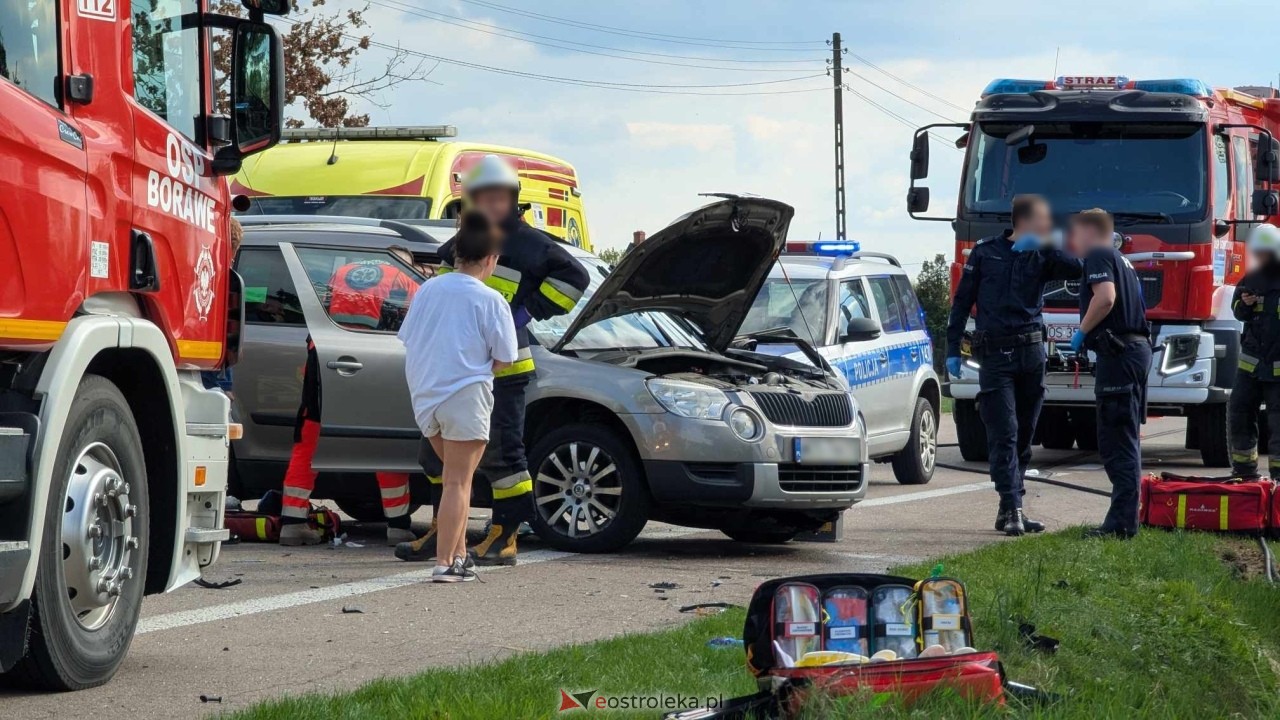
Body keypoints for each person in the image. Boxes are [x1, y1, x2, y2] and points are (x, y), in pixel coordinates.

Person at [395, 154, 589, 566]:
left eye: (497, 196)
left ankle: (505, 535)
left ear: (512, 197)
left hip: (505, 367)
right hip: (457, 369)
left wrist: (527, 309)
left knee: (503, 456)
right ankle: (444, 530)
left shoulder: (530, 242)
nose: (489, 204)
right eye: (480, 196)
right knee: (433, 458)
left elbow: (576, 280)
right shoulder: (465, 239)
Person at [945, 194, 1082, 536]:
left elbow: (1078, 269)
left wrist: (1048, 245)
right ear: (1023, 220)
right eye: (1043, 220)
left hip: (1031, 355)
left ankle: (1009, 506)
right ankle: (1014, 508)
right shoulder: (985, 252)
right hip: (995, 355)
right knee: (1003, 432)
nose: (1048, 225)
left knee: (1023, 435)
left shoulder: (1041, 252)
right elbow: (962, 303)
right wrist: (951, 349)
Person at [278, 246, 424, 546]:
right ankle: (397, 526)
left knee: (309, 438)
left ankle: (291, 523)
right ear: (404, 260)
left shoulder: (343, 271)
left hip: (326, 358)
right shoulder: (403, 277)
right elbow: (415, 322)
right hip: (376, 360)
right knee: (386, 442)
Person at [398, 212, 516, 582]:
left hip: (425, 395)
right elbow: (504, 357)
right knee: (458, 483)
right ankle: (446, 562)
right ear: (491, 259)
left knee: (454, 480)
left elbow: (408, 339)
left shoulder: (429, 289)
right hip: (466, 394)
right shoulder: (491, 299)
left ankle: (460, 555)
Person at [1068, 210, 1151, 539]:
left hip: (1120, 355)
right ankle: (1125, 520)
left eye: (1075, 232)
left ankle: (1120, 526)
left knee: (1117, 441)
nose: (1072, 240)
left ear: (1090, 231)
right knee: (1124, 438)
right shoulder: (1122, 260)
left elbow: (1105, 298)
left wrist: (1080, 332)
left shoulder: (1099, 254)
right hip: (1130, 351)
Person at [1228, 223, 1280, 478]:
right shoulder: (1251, 279)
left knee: (1278, 424)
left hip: (1278, 368)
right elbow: (1237, 309)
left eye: (1264, 253)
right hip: (1250, 367)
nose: (1259, 258)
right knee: (1238, 412)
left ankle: (1279, 481)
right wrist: (1244, 304)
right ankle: (1245, 472)